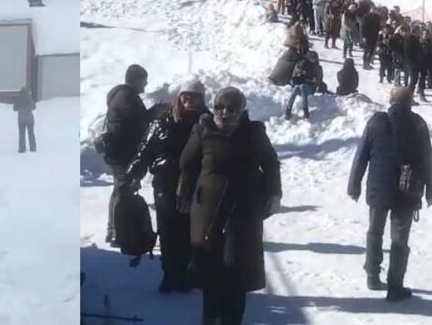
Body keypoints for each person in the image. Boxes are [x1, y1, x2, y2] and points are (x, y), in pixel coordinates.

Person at [178, 87, 281, 325]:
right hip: (207, 210)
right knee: (210, 264)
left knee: (237, 265)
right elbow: (187, 163)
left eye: (230, 108)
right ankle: (210, 317)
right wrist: (184, 191)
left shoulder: (253, 132)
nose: (224, 113)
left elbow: (271, 164)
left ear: (241, 109)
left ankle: (232, 318)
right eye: (220, 108)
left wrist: (274, 195)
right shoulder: (204, 129)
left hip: (243, 209)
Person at [348, 87, 432, 300]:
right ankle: (395, 286)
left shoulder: (376, 122)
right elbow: (427, 159)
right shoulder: (418, 124)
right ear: (410, 102)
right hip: (407, 189)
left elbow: (361, 154)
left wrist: (354, 185)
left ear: (390, 101)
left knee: (375, 230)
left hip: (379, 188)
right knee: (399, 237)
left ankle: (372, 274)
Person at [126, 79, 206, 293]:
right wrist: (132, 174)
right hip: (165, 184)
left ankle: (189, 273)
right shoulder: (162, 121)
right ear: (178, 97)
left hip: (196, 185)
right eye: (185, 95)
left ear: (202, 98)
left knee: (192, 231)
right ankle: (170, 274)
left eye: (195, 95)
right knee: (169, 231)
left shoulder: (207, 123)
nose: (189, 99)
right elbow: (144, 150)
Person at [98, 64, 150, 246]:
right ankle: (116, 232)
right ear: (135, 80)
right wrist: (153, 114)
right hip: (120, 152)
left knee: (120, 189)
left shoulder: (123, 96)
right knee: (122, 189)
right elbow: (133, 123)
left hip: (117, 151)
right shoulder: (126, 96)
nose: (145, 86)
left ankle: (114, 229)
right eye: (144, 81)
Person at [285, 51, 322, 120]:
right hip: (299, 87)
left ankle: (305, 109)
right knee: (297, 87)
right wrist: (297, 77)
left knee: (303, 87)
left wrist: (311, 80)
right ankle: (288, 109)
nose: (313, 60)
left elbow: (318, 80)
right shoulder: (300, 66)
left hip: (310, 88)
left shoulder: (317, 68)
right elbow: (292, 79)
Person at [13, 86, 37, 153]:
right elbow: (34, 107)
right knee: (31, 133)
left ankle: (22, 148)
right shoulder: (29, 98)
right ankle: (33, 148)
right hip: (30, 119)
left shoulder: (18, 99)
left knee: (21, 134)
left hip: (21, 119)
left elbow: (14, 109)